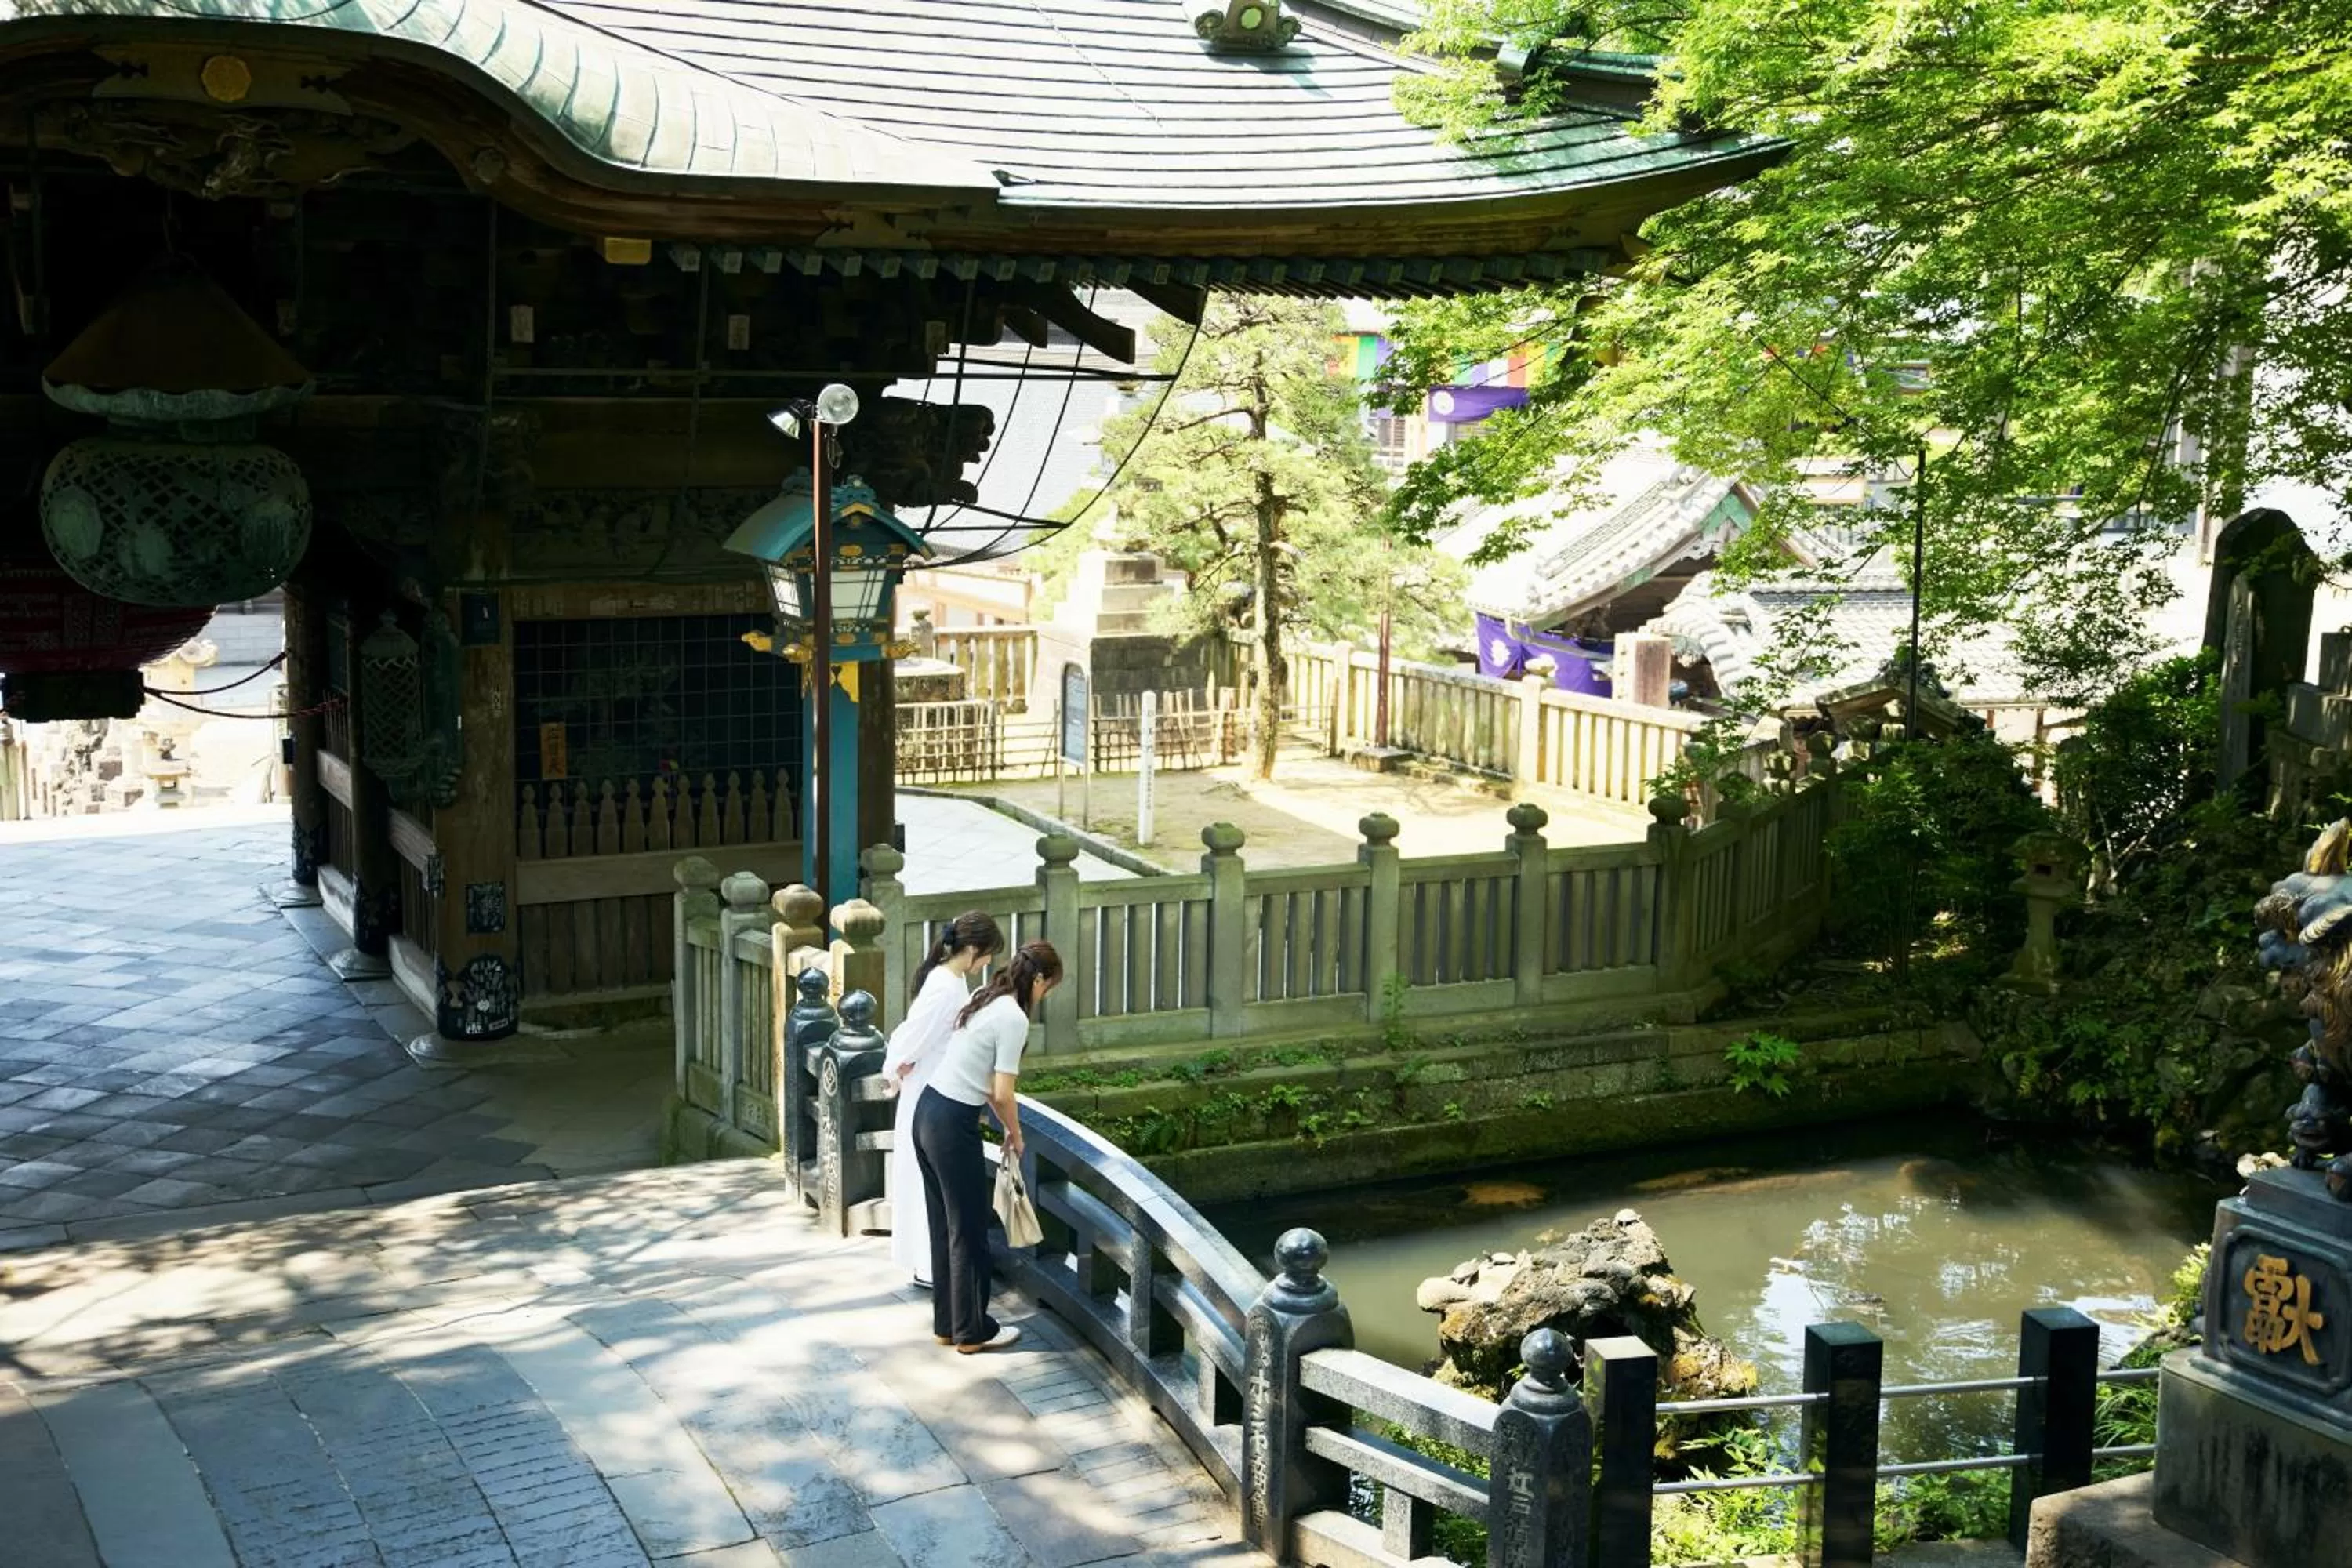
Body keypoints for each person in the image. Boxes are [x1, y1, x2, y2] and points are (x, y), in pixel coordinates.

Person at [912, 939, 1062, 1353]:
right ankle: (973, 1331)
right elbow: (1002, 1092)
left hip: (927, 1111)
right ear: (1038, 978)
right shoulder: (1014, 1018)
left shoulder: (985, 996)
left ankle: (950, 1324)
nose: (1045, 996)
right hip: (952, 1123)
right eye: (1048, 987)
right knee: (970, 1228)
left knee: (945, 1226)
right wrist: (1015, 1133)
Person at [883, 912, 1004, 1289]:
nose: (987, 963)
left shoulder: (946, 980)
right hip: (931, 1088)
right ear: (970, 950)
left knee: (927, 1181)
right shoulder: (945, 987)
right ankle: (931, 1265)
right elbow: (912, 1037)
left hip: (930, 1084)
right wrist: (898, 1065)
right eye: (986, 955)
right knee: (932, 1183)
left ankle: (930, 1263)